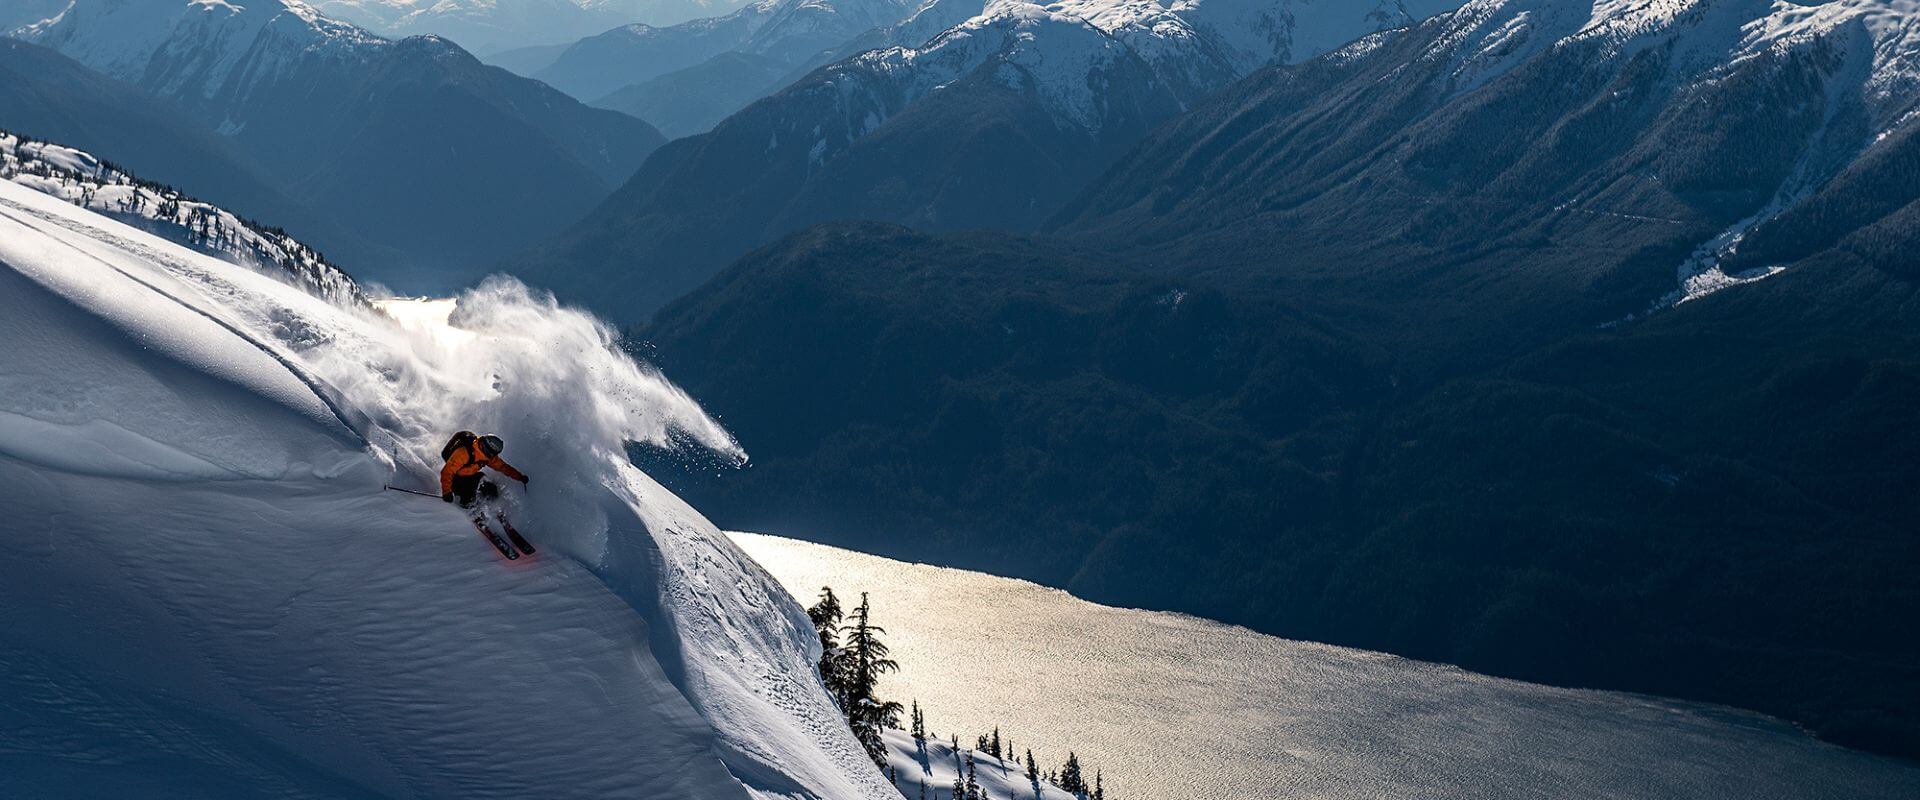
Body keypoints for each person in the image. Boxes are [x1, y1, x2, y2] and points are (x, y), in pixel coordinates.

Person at [440, 432, 528, 508]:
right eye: (492, 453)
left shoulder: (488, 457)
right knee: (468, 496)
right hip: (456, 479)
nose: (493, 455)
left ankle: (493, 508)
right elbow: (447, 472)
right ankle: (467, 507)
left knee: (490, 487)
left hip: (471, 476)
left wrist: (519, 477)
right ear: (487, 448)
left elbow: (503, 467)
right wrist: (447, 492)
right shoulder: (464, 453)